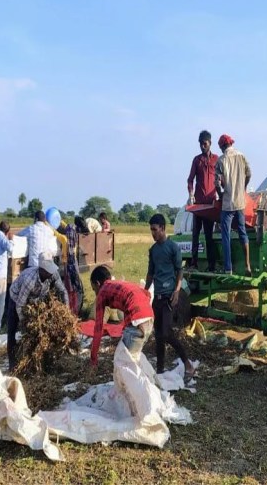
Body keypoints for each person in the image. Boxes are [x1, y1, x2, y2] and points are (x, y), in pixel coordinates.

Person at [144, 213, 195, 378]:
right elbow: (150, 273)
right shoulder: (153, 250)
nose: (153, 233)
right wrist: (145, 292)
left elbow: (180, 270)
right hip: (157, 298)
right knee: (158, 335)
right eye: (151, 230)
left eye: (155, 230)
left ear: (163, 229)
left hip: (169, 297)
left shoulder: (173, 248)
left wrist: (177, 291)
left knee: (166, 333)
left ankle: (188, 364)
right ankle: (159, 370)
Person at [6, 256, 69, 370]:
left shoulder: (53, 274)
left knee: (41, 329)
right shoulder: (29, 280)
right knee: (12, 331)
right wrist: (24, 323)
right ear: (42, 270)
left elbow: (63, 291)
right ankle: (13, 364)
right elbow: (20, 305)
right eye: (48, 271)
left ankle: (41, 360)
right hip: (16, 299)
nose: (51, 273)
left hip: (36, 299)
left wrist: (67, 311)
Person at [89, 265, 154, 365]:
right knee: (133, 360)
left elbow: (98, 328)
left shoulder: (102, 292)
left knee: (124, 364)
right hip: (149, 317)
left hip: (137, 321)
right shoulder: (121, 283)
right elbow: (147, 294)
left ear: (98, 284)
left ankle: (142, 380)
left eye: (94, 290)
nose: (95, 293)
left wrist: (93, 358)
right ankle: (148, 379)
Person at [215, 134, 252, 275]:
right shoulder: (241, 156)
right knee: (243, 232)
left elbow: (217, 182)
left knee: (226, 235)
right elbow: (249, 174)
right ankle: (248, 265)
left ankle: (228, 268)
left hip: (227, 204)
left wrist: (221, 193)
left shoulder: (221, 160)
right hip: (240, 202)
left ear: (222, 146)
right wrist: (243, 188)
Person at [186, 129, 219, 272]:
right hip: (198, 204)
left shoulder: (216, 159)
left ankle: (212, 264)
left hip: (210, 203)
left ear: (210, 143)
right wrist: (191, 194)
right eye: (200, 144)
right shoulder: (197, 160)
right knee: (195, 234)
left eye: (204, 143)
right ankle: (194, 263)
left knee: (209, 235)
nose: (202, 146)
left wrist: (220, 193)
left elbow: (221, 178)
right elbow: (190, 179)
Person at [58, 219, 85, 317]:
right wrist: (62, 222)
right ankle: (75, 310)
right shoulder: (75, 240)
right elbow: (69, 228)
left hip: (68, 267)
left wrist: (49, 223)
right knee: (75, 288)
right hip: (74, 266)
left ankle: (71, 311)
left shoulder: (65, 240)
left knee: (69, 288)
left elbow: (56, 233)